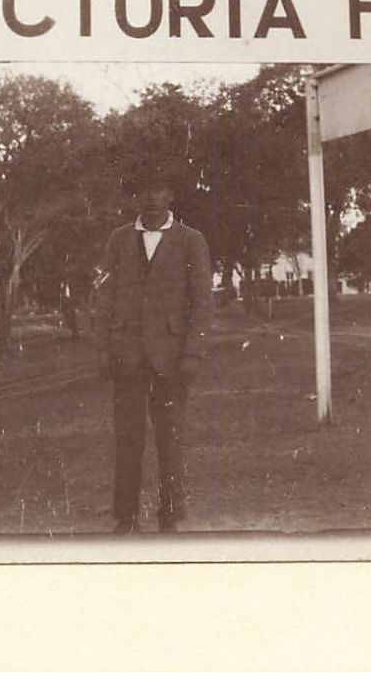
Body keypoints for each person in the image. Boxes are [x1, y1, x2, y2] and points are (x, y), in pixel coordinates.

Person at [91, 163, 214, 533]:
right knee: (127, 440)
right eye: (143, 189)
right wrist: (102, 350)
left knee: (170, 439)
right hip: (126, 356)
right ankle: (125, 516)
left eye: (159, 188)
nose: (150, 196)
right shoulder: (118, 240)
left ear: (171, 195)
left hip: (172, 359)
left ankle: (170, 516)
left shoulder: (191, 239)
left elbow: (202, 302)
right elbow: (104, 296)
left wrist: (192, 352)